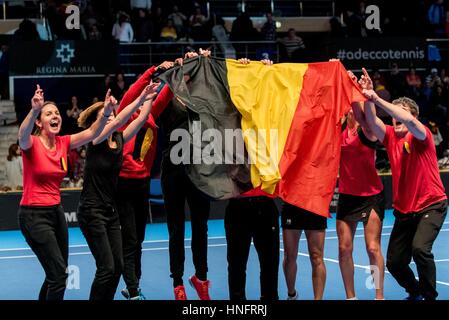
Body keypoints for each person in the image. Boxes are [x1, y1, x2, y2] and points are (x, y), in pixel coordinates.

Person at [17, 84, 112, 300]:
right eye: (48, 113)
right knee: (59, 275)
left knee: (57, 273)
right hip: (33, 215)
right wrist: (34, 110)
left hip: (56, 213)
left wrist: (106, 112)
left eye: (57, 113)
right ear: (39, 123)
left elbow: (90, 132)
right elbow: (22, 133)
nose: (55, 116)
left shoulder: (63, 143)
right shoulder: (30, 143)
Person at [360, 68, 448, 300]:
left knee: (420, 249)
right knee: (395, 263)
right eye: (394, 114)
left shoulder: (422, 135)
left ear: (414, 116)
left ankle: (430, 296)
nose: (396, 117)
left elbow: (407, 119)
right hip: (404, 210)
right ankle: (415, 291)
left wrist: (377, 98)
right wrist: (367, 94)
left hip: (431, 204)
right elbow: (371, 119)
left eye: (402, 113)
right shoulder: (390, 135)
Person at [77, 84, 159, 300]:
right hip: (91, 211)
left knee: (118, 266)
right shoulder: (94, 141)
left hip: (110, 211)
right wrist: (140, 96)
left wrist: (149, 97)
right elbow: (122, 119)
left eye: (112, 114)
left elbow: (140, 120)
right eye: (107, 115)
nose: (112, 117)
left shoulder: (120, 140)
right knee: (106, 268)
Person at [116, 60, 175, 300]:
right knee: (130, 238)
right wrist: (154, 70)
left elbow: (169, 92)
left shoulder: (150, 114)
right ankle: (132, 290)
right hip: (122, 182)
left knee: (137, 239)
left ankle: (133, 282)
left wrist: (184, 70)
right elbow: (134, 90)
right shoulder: (124, 113)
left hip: (141, 184)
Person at [224, 58, 280, 302]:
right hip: (237, 205)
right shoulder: (228, 126)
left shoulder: (269, 123)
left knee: (269, 264)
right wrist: (244, 70)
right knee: (236, 265)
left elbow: (276, 100)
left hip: (265, 205)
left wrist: (264, 72)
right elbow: (222, 97)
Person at [158, 49, 212, 300]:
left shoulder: (206, 93)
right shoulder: (170, 91)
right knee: (176, 229)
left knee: (201, 227)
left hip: (200, 168)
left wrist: (209, 64)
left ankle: (201, 279)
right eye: (188, 61)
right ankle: (178, 283)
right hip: (173, 169)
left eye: (195, 62)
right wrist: (175, 71)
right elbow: (155, 104)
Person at [337, 93, 385, 300]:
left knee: (373, 248)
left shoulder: (367, 132)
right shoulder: (337, 132)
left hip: (372, 195)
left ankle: (379, 296)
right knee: (343, 249)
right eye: (347, 107)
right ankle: (351, 297)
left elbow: (367, 115)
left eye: (352, 107)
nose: (350, 110)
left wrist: (361, 94)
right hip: (347, 196)